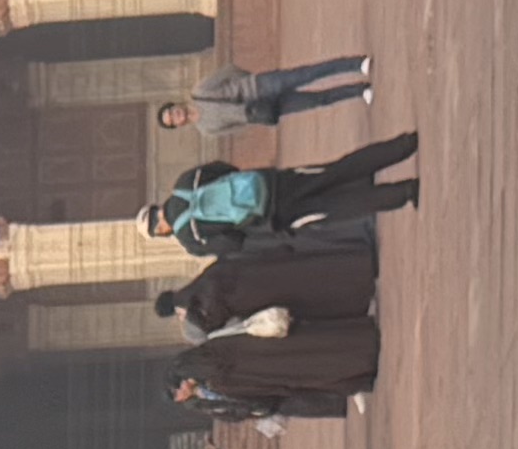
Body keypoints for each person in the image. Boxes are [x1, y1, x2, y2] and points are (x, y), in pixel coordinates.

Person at [153, 133, 422, 246]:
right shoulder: (184, 181)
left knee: (339, 208)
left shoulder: (189, 237)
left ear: (161, 229)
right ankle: (405, 145)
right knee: (339, 170)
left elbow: (231, 243)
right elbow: (224, 168)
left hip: (273, 215)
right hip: (272, 182)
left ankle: (405, 191)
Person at [152, 238, 380, 331]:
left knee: (315, 297)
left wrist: (191, 316)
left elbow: (215, 321)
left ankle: (360, 296)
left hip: (260, 297)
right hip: (264, 271)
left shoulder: (196, 306)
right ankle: (362, 263)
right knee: (314, 270)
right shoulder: (200, 280)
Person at [173, 330, 376, 419]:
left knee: (317, 370)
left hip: (276, 374)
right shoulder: (214, 361)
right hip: (276, 359)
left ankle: (359, 376)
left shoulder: (217, 379)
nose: (184, 386)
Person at [160, 56, 372, 129]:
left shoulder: (199, 91)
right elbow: (235, 126)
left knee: (308, 74)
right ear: (178, 125)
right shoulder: (206, 129)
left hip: (260, 86)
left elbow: (229, 71)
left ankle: (356, 64)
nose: (176, 115)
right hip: (262, 110)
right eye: (172, 120)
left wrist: (249, 81)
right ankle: (359, 91)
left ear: (175, 104)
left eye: (172, 111)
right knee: (316, 100)